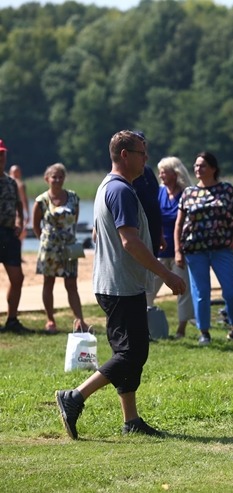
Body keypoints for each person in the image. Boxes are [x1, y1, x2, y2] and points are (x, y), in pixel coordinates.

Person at [54, 130, 186, 439]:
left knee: (129, 351)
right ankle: (74, 397)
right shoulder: (122, 191)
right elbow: (130, 242)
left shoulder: (108, 186)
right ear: (125, 155)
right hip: (120, 285)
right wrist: (166, 275)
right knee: (132, 352)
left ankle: (131, 420)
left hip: (115, 282)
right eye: (142, 153)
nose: (146, 159)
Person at [174, 151, 233, 346]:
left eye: (202, 165)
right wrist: (178, 250)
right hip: (195, 250)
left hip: (222, 248)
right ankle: (204, 332)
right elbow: (179, 224)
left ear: (213, 168)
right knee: (201, 292)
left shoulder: (227, 190)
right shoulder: (189, 193)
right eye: (196, 166)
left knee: (231, 291)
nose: (198, 169)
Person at [31, 163, 89, 334]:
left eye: (60, 176)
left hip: (70, 246)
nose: (57, 180)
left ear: (64, 178)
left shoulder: (73, 197)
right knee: (48, 282)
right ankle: (50, 320)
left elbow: (74, 220)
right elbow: (35, 225)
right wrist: (45, 240)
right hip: (49, 247)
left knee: (71, 284)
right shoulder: (41, 200)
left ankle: (80, 320)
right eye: (54, 177)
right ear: (46, 178)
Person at [152, 156, 195, 338]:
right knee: (149, 287)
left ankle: (181, 329)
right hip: (160, 249)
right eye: (160, 171)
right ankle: (147, 325)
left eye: (164, 171)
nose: (161, 174)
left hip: (181, 251)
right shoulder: (159, 192)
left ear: (175, 173)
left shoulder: (187, 193)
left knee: (182, 290)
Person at [0, 139, 33, 334]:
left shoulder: (11, 182)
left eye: (2, 154)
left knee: (17, 278)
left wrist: (20, 221)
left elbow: (19, 205)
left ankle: (12, 319)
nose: (1, 157)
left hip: (8, 234)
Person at [130, 132, 163, 307]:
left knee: (150, 269)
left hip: (154, 227)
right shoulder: (125, 176)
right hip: (137, 229)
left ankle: (146, 308)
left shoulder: (148, 172)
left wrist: (162, 233)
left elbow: (154, 200)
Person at [8, 164, 29, 247]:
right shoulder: (5, 182)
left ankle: (17, 251)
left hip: (15, 212)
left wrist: (27, 213)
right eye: (15, 172)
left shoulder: (20, 184)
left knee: (21, 231)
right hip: (10, 212)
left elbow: (24, 199)